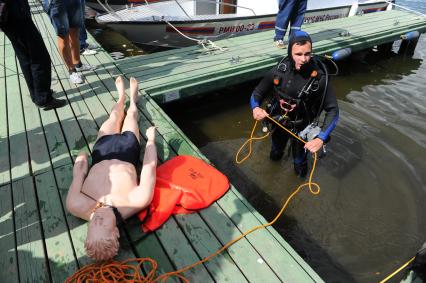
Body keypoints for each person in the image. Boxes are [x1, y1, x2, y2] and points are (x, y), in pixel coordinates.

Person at [66, 76, 157, 261]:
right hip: (127, 150)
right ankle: (132, 99)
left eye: (93, 225)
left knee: (114, 117)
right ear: (115, 231)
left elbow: (78, 175)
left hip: (101, 152)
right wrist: (151, 141)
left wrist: (81, 159)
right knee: (131, 117)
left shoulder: (75, 204)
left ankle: (120, 97)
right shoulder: (136, 201)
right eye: (103, 223)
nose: (97, 218)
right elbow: (150, 167)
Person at [250, 30, 339, 177]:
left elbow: (333, 110)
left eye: (307, 54)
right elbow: (257, 93)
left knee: (299, 163)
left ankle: (298, 182)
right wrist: (255, 108)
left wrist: (321, 138)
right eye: (298, 54)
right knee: (275, 153)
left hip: (302, 127)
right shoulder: (279, 70)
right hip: (279, 123)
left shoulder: (320, 79)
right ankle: (271, 175)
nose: (303, 59)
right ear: (289, 51)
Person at [0, 0, 67, 110]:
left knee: (25, 57)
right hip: (16, 15)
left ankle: (37, 93)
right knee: (40, 58)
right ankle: (43, 98)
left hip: (8, 18)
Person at [44, 0, 96, 84]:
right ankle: (72, 70)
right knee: (63, 36)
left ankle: (78, 64)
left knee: (75, 31)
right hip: (57, 3)